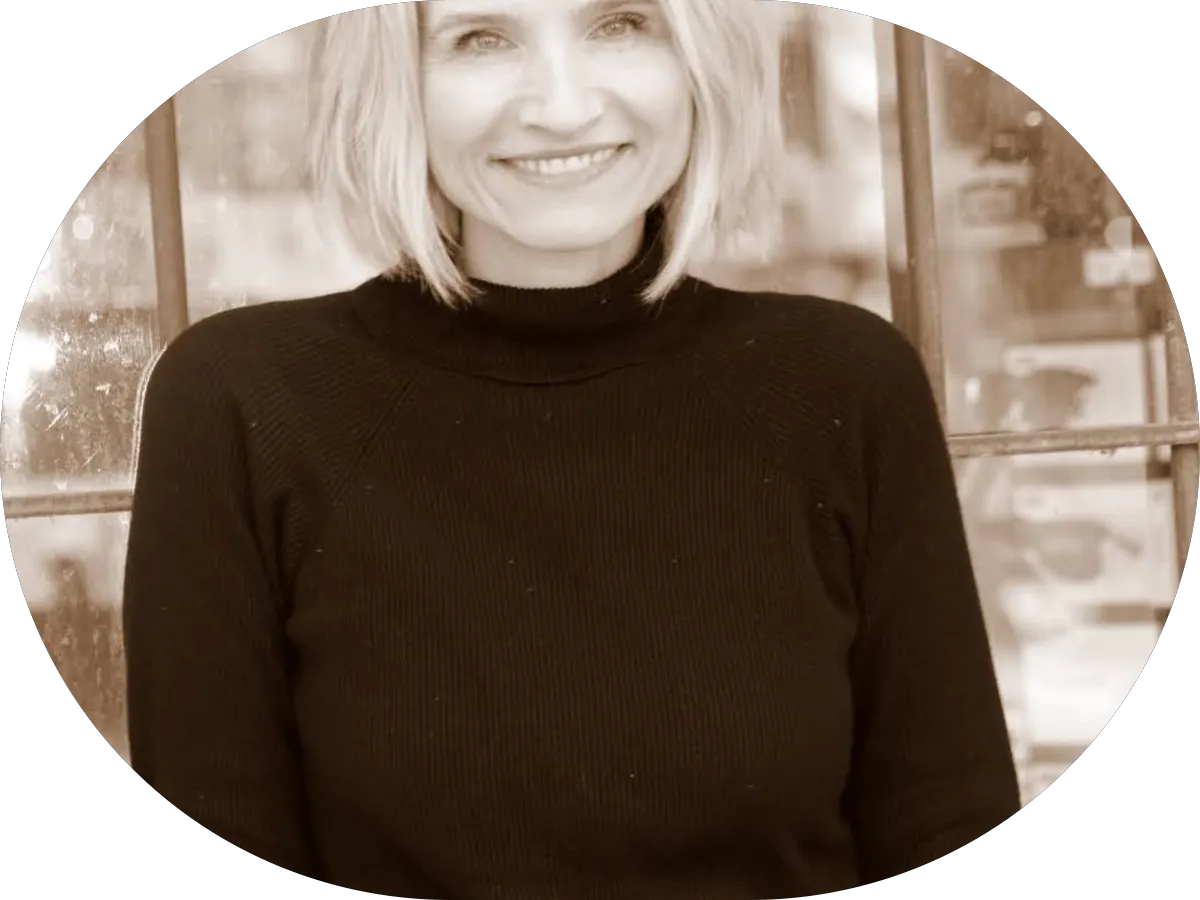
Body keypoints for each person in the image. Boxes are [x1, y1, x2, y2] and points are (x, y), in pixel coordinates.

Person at [121, 2, 1021, 897]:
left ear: (697, 60)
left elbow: (945, 817)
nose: (561, 106)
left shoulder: (843, 385)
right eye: (481, 40)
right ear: (395, 83)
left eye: (619, 24)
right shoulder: (245, 403)